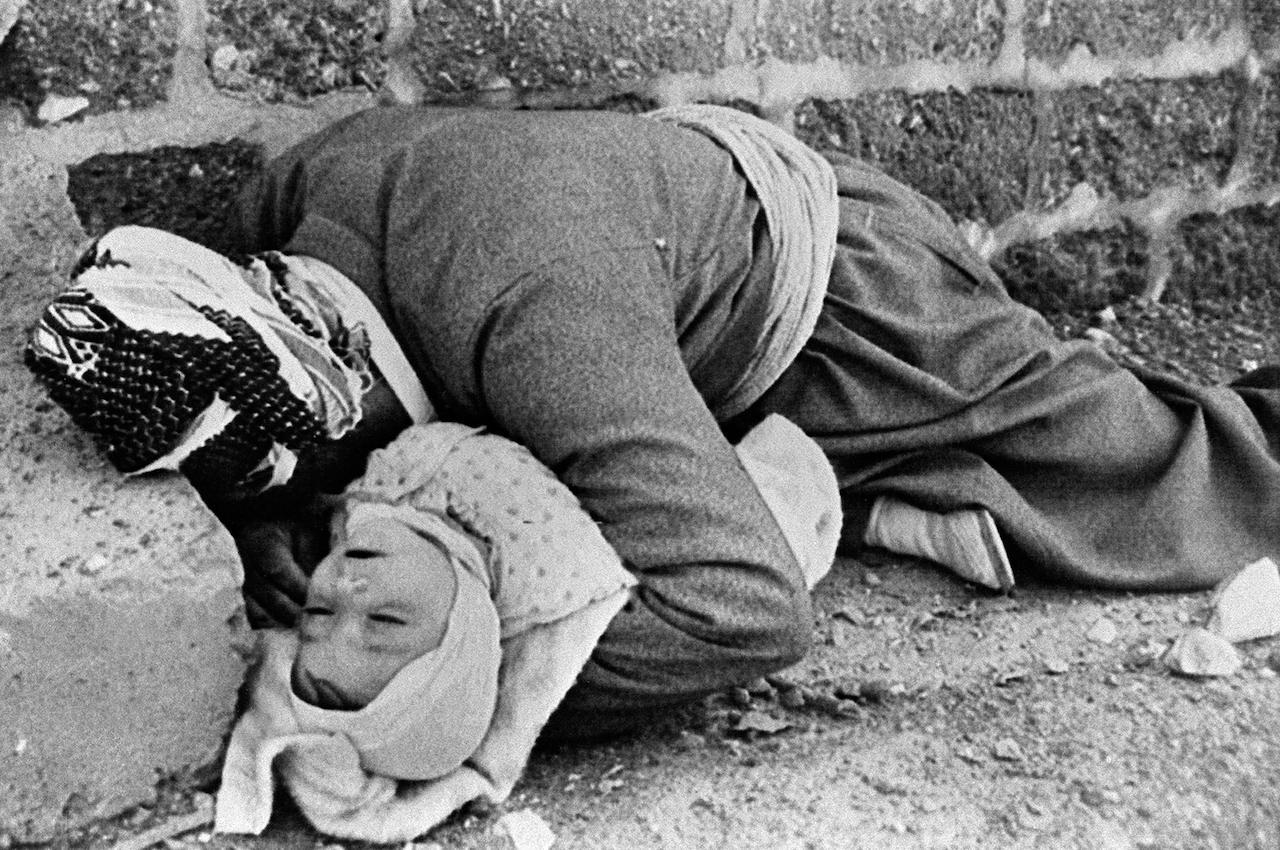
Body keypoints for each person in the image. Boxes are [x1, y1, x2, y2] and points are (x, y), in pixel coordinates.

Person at [26, 103, 1280, 744]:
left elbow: (741, 609)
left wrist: (443, 687)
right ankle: (871, 494)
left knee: (1173, 482)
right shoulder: (293, 197)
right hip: (645, 263)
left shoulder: (537, 323)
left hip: (857, 306)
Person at [212, 414, 836, 841]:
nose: (344, 590)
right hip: (684, 475)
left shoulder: (367, 538)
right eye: (384, 620)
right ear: (469, 632)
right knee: (756, 503)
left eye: (316, 616)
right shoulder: (544, 566)